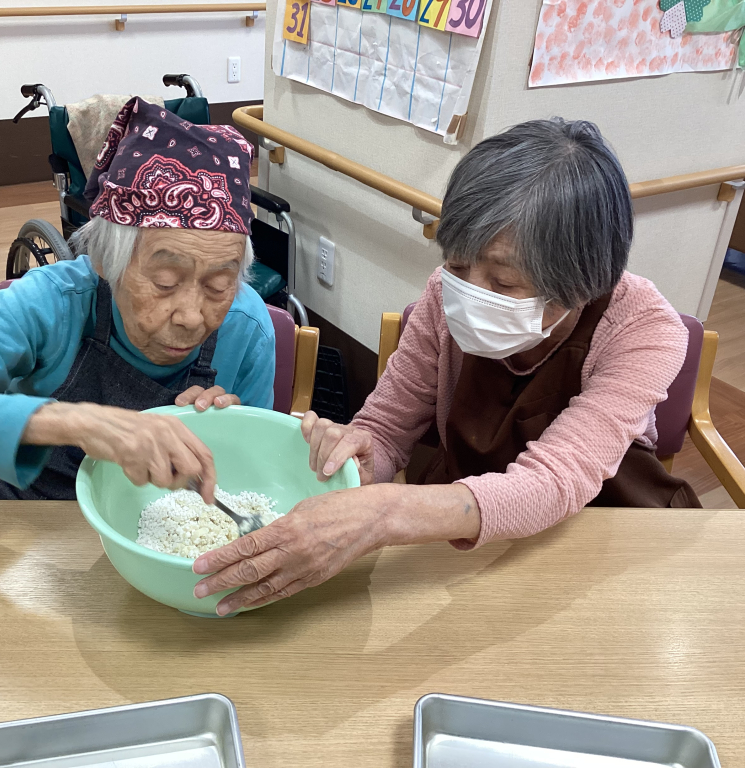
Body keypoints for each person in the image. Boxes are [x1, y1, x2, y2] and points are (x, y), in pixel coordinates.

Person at [192, 117, 701, 615]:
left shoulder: (642, 331)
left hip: (600, 544)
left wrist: (384, 513)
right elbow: (386, 431)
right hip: (464, 550)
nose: (470, 294)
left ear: (581, 282)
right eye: (458, 264)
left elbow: (556, 481)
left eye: (503, 283)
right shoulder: (443, 296)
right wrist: (360, 462)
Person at [0, 98, 274, 502]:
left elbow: (252, 474)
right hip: (14, 519)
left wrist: (223, 434)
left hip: (139, 527)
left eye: (219, 286)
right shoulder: (50, 303)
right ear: (104, 263)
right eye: (165, 282)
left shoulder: (247, 329)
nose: (190, 317)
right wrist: (76, 421)